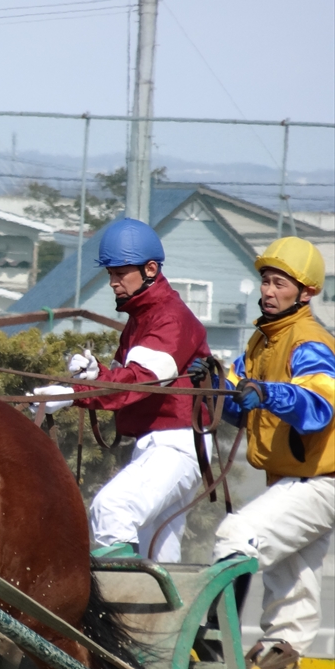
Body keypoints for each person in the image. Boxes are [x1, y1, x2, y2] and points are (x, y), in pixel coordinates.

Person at [31, 218, 211, 562]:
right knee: (158, 558)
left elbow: (139, 381)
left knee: (112, 509)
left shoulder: (170, 318)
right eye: (110, 274)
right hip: (158, 446)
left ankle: (118, 598)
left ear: (150, 270)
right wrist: (95, 374)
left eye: (120, 274)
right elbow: (123, 378)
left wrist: (73, 393)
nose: (113, 283)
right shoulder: (142, 319)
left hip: (174, 446)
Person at [202, 237, 334, 669]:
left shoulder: (309, 342)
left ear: (305, 292)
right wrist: (211, 384)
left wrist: (269, 393)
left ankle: (214, 640)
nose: (269, 291)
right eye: (265, 281)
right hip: (291, 477)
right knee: (292, 574)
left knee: (237, 534)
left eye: (280, 284)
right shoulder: (261, 341)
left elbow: (319, 406)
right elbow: (239, 405)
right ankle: (282, 650)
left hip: (320, 481)